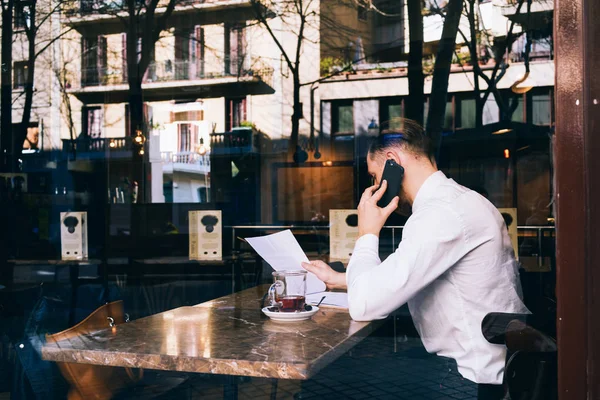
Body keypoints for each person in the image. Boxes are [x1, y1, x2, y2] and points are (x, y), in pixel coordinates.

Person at [302, 119, 528, 400]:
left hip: (467, 379)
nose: (374, 185)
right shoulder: (460, 201)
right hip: (489, 367)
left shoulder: (441, 213)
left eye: (374, 176)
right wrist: (338, 278)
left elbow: (364, 306)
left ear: (393, 161)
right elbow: (406, 272)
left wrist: (367, 233)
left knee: (322, 384)